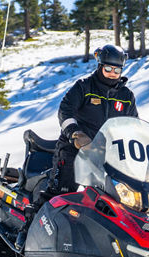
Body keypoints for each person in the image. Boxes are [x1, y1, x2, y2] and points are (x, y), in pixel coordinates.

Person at [48, 44, 139, 195]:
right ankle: (37, 213)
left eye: (117, 70)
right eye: (108, 69)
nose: (112, 73)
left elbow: (134, 125)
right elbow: (65, 110)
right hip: (77, 149)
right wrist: (76, 134)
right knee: (61, 192)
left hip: (109, 154)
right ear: (100, 66)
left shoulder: (126, 96)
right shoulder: (84, 87)